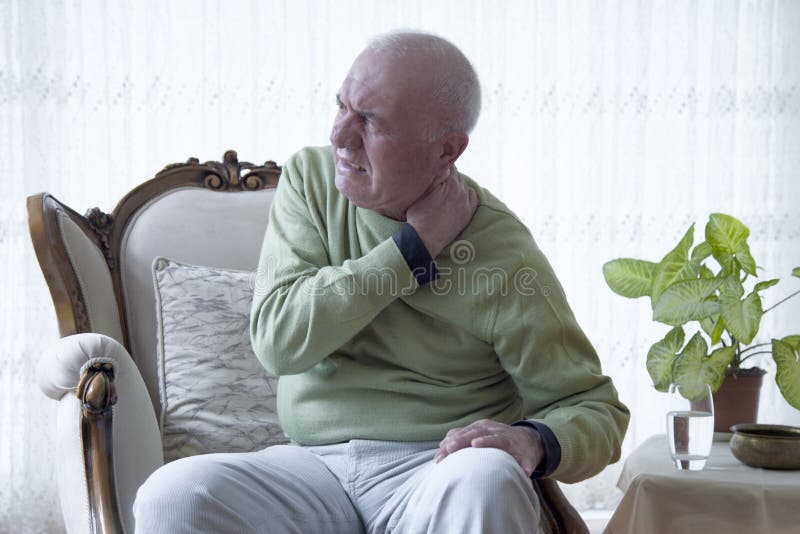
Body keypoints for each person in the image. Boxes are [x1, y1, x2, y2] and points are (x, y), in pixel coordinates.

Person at [134, 31, 629, 534]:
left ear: (446, 151)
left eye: (370, 122)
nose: (340, 137)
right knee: (174, 497)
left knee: (486, 479)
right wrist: (410, 251)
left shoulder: (504, 252)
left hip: (436, 470)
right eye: (341, 106)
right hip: (313, 469)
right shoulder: (312, 181)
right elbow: (279, 343)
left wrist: (532, 440)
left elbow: (595, 409)